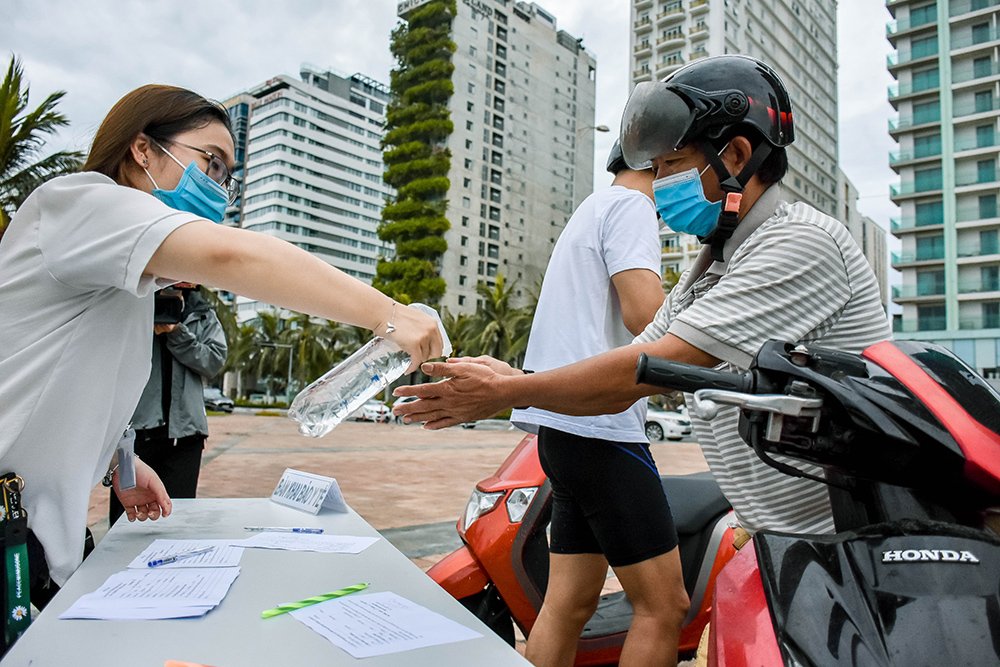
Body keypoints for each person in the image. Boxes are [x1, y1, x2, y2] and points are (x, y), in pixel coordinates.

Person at [394, 55, 890, 546]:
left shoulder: (799, 242)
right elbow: (637, 363)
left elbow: (652, 367)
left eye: (673, 164)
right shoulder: (711, 267)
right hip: (785, 538)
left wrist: (508, 393)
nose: (661, 183)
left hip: (853, 540)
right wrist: (517, 380)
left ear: (737, 156)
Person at [0, 84, 444, 606]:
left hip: (35, 547)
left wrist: (120, 460)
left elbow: (69, 380)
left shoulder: (128, 283)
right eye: (210, 162)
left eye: (226, 176)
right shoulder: (79, 202)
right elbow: (233, 258)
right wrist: (388, 315)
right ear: (142, 149)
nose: (217, 187)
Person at [500, 142, 685, 667]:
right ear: (657, 162)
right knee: (663, 605)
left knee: (568, 603)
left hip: (563, 434)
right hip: (603, 429)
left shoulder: (595, 206)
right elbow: (645, 316)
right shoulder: (632, 207)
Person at [108, 284, 227, 526]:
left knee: (178, 518)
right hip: (132, 433)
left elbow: (213, 362)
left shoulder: (203, 313)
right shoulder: (133, 304)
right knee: (125, 518)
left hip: (185, 436)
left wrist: (177, 333)